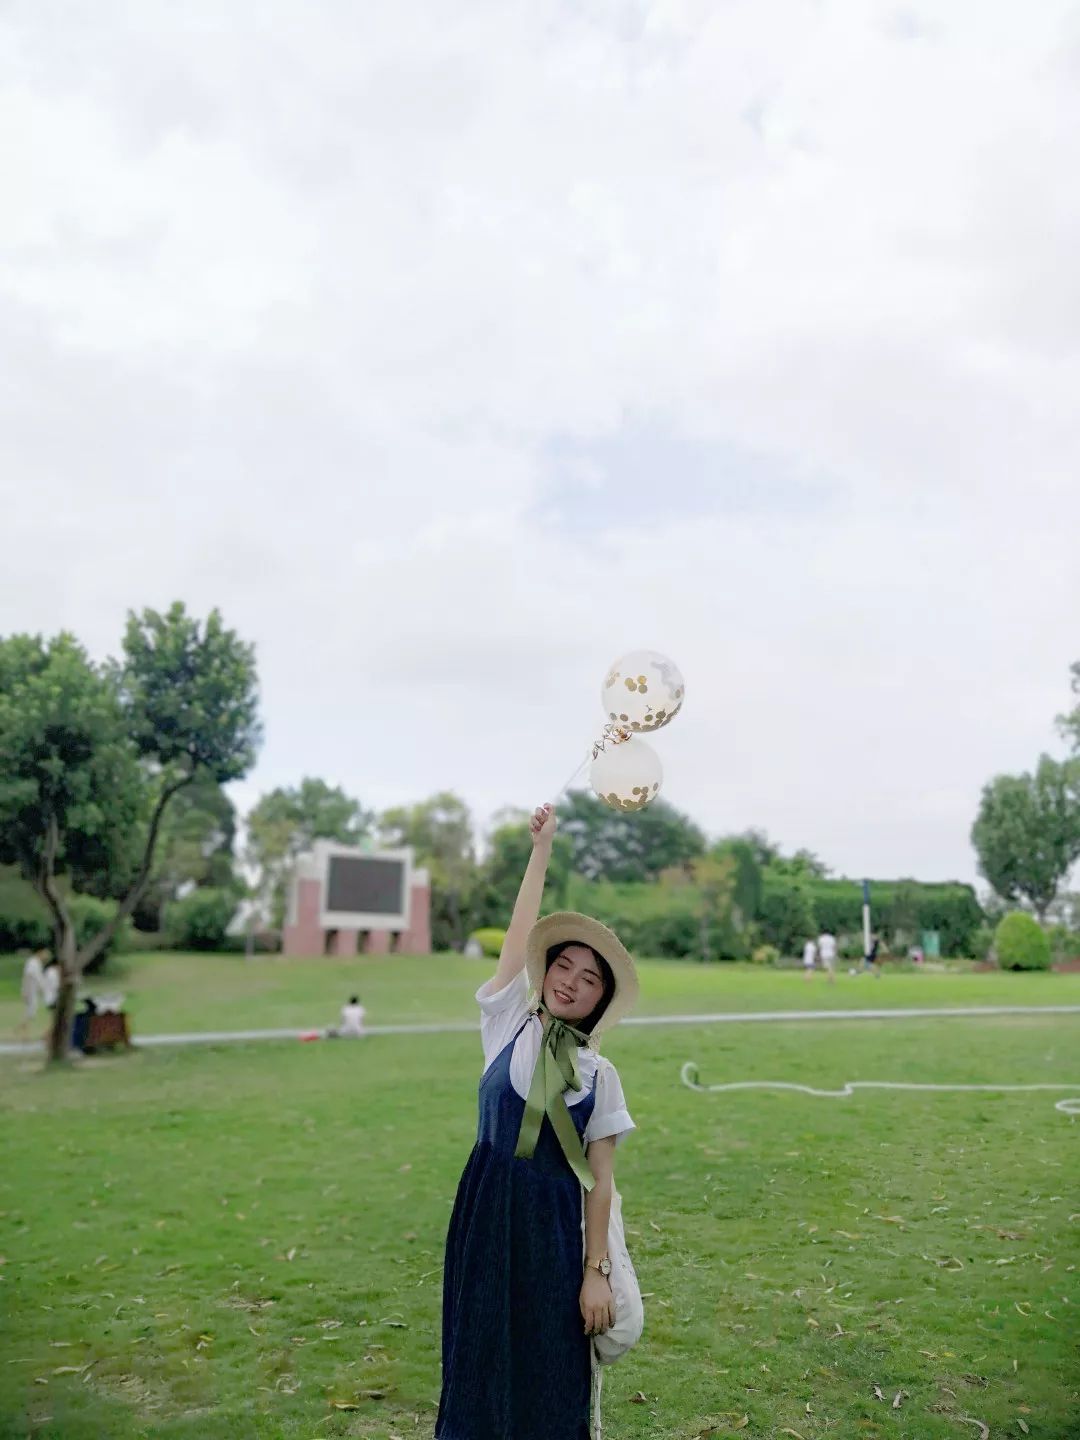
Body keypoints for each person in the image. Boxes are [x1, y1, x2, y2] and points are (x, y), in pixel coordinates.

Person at [437, 802, 638, 1440]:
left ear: (601, 999)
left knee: (551, 1371)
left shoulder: (598, 1074)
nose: (571, 983)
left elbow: (599, 1183)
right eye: (562, 966)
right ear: (544, 970)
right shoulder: (505, 1025)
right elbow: (521, 927)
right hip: (485, 1215)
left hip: (553, 1233)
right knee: (477, 1360)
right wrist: (541, 849)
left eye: (589, 979)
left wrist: (594, 1272)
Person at [17, 948, 48, 1037]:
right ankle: (22, 1030)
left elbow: (38, 978)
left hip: (33, 991)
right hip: (29, 990)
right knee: (30, 1011)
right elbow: (28, 976)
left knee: (31, 1012)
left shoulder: (37, 963)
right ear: (40, 952)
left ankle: (23, 1030)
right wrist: (26, 991)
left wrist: (42, 988)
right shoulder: (32, 962)